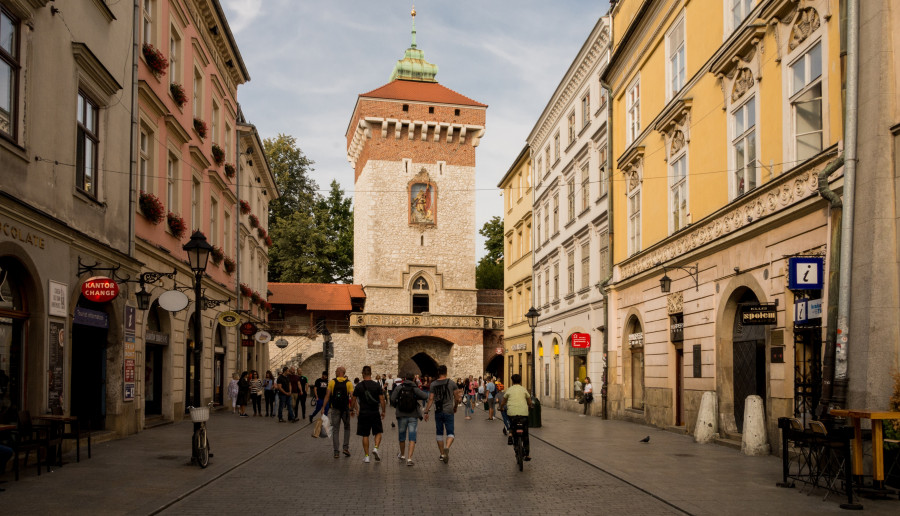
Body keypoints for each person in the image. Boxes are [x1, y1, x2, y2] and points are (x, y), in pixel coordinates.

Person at [423, 364, 459, 464]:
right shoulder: (452, 383)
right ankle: (447, 447)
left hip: (438, 411)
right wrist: (455, 406)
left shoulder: (433, 384)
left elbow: (431, 399)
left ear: (438, 373)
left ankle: (442, 454)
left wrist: (426, 411)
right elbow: (457, 397)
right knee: (450, 433)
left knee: (439, 433)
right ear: (446, 372)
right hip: (449, 411)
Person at [391, 371, 428, 466]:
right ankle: (409, 459)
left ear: (404, 379)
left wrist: (397, 405)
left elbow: (392, 399)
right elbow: (424, 396)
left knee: (402, 436)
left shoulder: (400, 387)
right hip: (413, 415)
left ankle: (402, 455)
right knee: (412, 437)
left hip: (401, 415)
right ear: (413, 379)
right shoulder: (414, 388)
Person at [353, 365, 385, 463]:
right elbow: (382, 399)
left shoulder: (359, 386)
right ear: (371, 374)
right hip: (374, 412)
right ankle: (375, 448)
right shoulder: (376, 385)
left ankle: (366, 456)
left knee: (365, 435)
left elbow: (353, 399)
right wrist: (383, 411)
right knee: (378, 432)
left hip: (363, 413)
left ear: (363, 374)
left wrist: (351, 410)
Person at [500, 373, 534, 461]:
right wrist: (530, 406)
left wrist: (501, 407)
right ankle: (527, 454)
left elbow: (503, 401)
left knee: (511, 420)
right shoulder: (523, 389)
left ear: (512, 381)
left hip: (512, 414)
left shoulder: (509, 390)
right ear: (520, 381)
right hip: (524, 414)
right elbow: (529, 402)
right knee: (525, 434)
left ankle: (511, 432)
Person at [323, 366, 355, 458]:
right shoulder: (348, 383)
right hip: (345, 409)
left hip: (335, 409)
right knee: (347, 428)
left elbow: (327, 395)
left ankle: (336, 451)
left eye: (336, 370)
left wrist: (323, 408)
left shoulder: (332, 382)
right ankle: (345, 448)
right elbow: (353, 397)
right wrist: (353, 408)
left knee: (336, 429)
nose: (335, 372)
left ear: (339, 372)